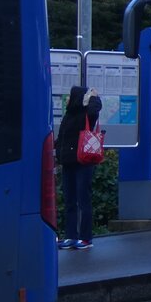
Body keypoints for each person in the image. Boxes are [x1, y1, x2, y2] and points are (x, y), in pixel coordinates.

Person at [56, 86, 103, 250]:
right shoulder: (68, 115)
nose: (67, 99)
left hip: (84, 161)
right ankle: (70, 235)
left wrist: (93, 98)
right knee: (70, 200)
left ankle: (85, 237)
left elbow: (95, 110)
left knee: (83, 200)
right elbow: (61, 138)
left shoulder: (87, 114)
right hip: (69, 162)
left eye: (70, 95)